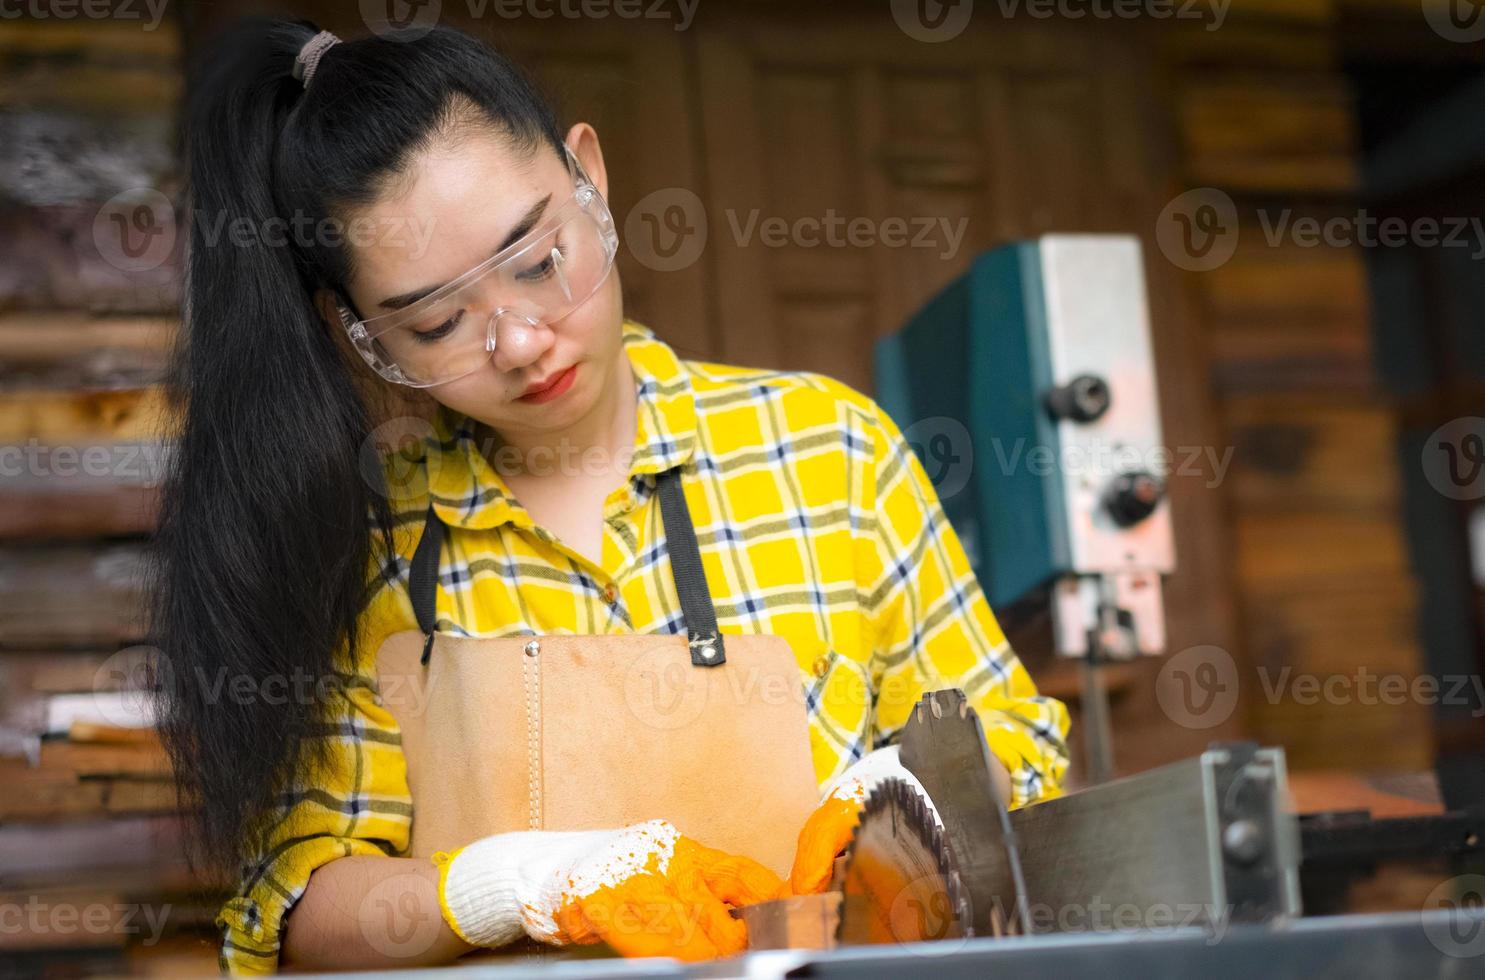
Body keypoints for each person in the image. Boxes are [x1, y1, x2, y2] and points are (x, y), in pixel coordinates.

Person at [151, 17, 1070, 975]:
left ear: (589, 177)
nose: (517, 342)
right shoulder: (367, 539)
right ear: (357, 332)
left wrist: (900, 794)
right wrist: (520, 885)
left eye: (537, 262)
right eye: (435, 322)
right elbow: (296, 906)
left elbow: (1017, 744)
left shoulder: (830, 451)